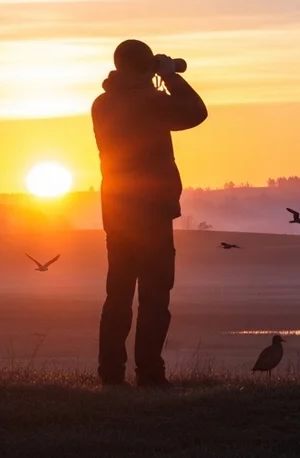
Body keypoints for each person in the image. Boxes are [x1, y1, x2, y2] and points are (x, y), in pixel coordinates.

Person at [92, 39, 208, 388]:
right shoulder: (150, 101)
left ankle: (111, 374)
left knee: (118, 296)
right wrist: (170, 75)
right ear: (144, 68)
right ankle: (150, 373)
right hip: (152, 213)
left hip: (117, 212)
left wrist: (153, 75)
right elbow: (196, 112)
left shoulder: (102, 103)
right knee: (155, 297)